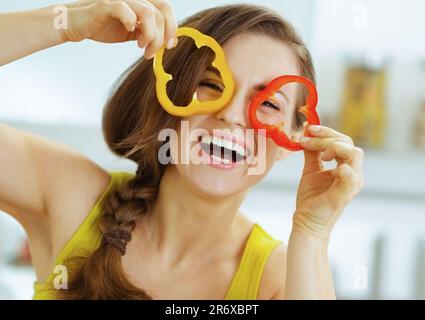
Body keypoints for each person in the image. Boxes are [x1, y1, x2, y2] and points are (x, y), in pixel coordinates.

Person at [0, 0, 364, 299]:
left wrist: (311, 231)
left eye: (269, 104)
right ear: (170, 97)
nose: (231, 116)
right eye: (209, 84)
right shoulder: (69, 196)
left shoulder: (278, 277)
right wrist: (66, 23)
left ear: (294, 137)